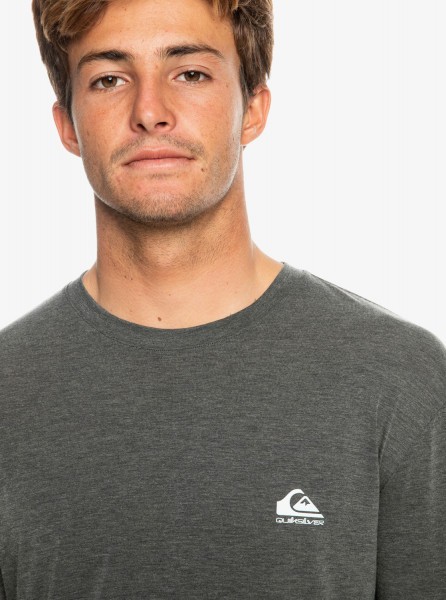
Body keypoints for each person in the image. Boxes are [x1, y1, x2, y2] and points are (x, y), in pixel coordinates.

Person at [0, 0, 444, 597]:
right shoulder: (8, 389)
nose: (150, 112)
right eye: (109, 79)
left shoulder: (399, 378)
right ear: (67, 126)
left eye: (190, 73)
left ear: (252, 108)